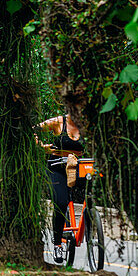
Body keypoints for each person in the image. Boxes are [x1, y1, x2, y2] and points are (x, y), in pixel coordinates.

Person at [39, 113, 86, 264]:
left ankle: (91, 225)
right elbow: (33, 130)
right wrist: (42, 146)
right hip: (57, 168)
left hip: (78, 168)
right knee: (60, 202)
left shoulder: (88, 124)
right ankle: (58, 243)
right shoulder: (59, 122)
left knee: (92, 195)